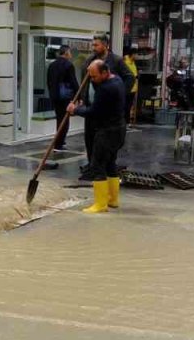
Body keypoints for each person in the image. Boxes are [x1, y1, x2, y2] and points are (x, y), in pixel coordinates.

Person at [68, 59, 126, 214]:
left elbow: (93, 112)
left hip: (107, 131)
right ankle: (112, 200)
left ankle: (100, 204)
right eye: (90, 76)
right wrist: (93, 75)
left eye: (94, 77)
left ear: (105, 72)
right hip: (119, 129)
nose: (92, 79)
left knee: (97, 165)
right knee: (110, 164)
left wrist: (76, 110)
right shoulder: (117, 80)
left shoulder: (106, 89)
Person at [83, 34, 133, 168]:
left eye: (96, 45)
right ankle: (91, 164)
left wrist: (121, 93)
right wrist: (82, 98)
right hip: (92, 104)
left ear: (105, 45)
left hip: (107, 108)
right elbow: (84, 82)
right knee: (90, 137)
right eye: (93, 45)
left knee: (105, 140)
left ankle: (104, 166)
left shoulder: (116, 61)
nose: (94, 48)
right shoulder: (90, 60)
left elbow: (130, 77)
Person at [46, 46, 78, 151]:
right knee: (64, 120)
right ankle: (59, 143)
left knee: (59, 119)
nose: (71, 55)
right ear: (66, 53)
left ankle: (59, 142)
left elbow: (48, 81)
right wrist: (79, 95)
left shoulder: (52, 65)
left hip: (55, 96)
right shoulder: (69, 65)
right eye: (70, 52)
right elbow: (73, 82)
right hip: (65, 97)